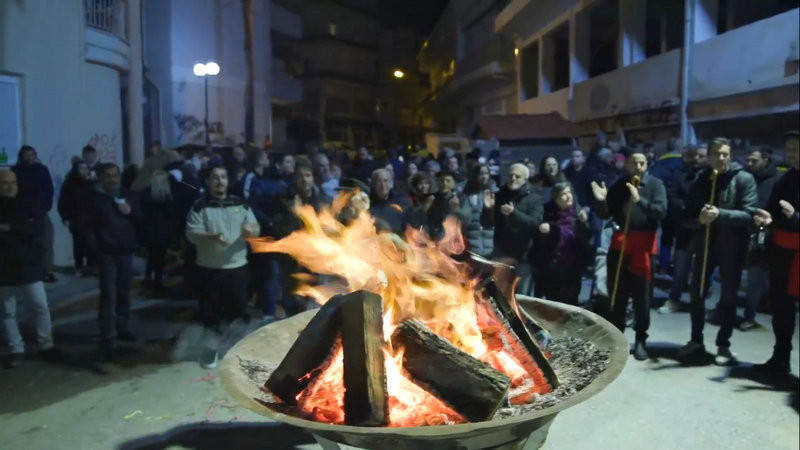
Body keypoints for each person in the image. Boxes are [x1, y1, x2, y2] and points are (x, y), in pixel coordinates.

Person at [677, 138, 758, 365]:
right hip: (705, 245)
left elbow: (750, 214)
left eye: (724, 154)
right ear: (709, 155)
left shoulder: (743, 178)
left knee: (729, 297)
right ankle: (696, 339)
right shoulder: (703, 179)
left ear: (730, 155)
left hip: (732, 247)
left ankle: (724, 345)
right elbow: (687, 214)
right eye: (716, 153)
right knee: (697, 294)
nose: (720, 158)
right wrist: (699, 220)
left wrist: (720, 214)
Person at [591, 151, 666, 360]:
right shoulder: (619, 184)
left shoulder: (655, 185)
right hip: (620, 245)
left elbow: (661, 213)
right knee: (618, 294)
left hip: (643, 247)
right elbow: (606, 214)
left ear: (647, 164)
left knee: (642, 297)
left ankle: (641, 338)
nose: (639, 167)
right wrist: (601, 201)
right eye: (634, 163)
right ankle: (618, 339)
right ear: (628, 166)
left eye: (642, 163)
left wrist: (639, 200)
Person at [186, 165, 260, 368]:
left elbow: (255, 228)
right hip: (210, 269)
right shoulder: (200, 206)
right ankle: (211, 351)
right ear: (208, 182)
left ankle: (234, 350)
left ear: (228, 181)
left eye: (223, 177)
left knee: (237, 312)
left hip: (237, 267)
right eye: (215, 178)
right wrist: (206, 236)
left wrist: (250, 229)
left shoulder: (239, 204)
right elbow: (191, 233)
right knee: (211, 314)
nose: (220, 181)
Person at [1, 169, 59, 368]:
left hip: (29, 265)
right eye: (5, 183)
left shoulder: (26, 204)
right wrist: (18, 229)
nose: (10, 186)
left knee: (40, 305)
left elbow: (33, 230)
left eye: (13, 182)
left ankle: (46, 344)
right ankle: (16, 348)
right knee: (8, 312)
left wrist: (8, 228)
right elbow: (24, 230)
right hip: (4, 268)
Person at [751, 131, 799, 376]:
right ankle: (781, 359)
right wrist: (767, 218)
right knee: (781, 309)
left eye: (795, 148)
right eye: (788, 148)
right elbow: (772, 211)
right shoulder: (785, 178)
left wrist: (796, 217)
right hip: (783, 254)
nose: (791, 153)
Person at [86, 164, 141, 359]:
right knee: (108, 293)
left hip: (125, 250)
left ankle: (122, 326)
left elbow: (141, 218)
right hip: (106, 253)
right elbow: (87, 227)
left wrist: (130, 212)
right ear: (101, 178)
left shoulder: (130, 196)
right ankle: (107, 334)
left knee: (124, 290)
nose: (112, 179)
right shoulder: (94, 199)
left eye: (115, 175)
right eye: (108, 176)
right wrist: (95, 250)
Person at [659, 144, 708, 313]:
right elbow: (672, 197)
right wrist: (688, 212)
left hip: (707, 229)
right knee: (680, 267)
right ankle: (674, 299)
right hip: (685, 226)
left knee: (704, 271)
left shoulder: (713, 178)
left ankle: (698, 303)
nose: (697, 159)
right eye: (696, 155)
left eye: (702, 156)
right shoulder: (680, 174)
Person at [481, 164, 543, 295]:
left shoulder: (534, 199)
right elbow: (487, 224)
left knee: (521, 298)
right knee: (499, 296)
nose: (513, 178)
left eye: (517, 176)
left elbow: (534, 223)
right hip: (501, 255)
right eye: (510, 175)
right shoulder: (499, 196)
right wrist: (488, 209)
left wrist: (514, 213)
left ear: (525, 179)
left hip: (523, 257)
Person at [738, 147, 780, 330]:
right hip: (742, 230)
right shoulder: (746, 177)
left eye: (754, 160)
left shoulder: (777, 180)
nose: (749, 164)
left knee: (756, 275)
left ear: (766, 159)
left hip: (763, 233)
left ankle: (750, 315)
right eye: (748, 160)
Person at [534, 182, 591, 305]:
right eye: (563, 194)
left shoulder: (578, 214)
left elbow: (585, 240)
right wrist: (546, 232)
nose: (568, 196)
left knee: (571, 304)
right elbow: (540, 245)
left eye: (569, 192)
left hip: (572, 269)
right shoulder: (547, 216)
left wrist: (583, 224)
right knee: (553, 305)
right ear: (556, 199)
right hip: (553, 269)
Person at [12, 146, 56, 283]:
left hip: (40, 212)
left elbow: (49, 189)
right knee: (25, 245)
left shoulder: (41, 170)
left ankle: (47, 271)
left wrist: (45, 207)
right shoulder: (16, 171)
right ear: (21, 156)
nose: (29, 157)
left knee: (45, 243)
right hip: (22, 213)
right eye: (27, 155)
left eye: (32, 155)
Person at [139, 170, 176, 295]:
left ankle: (148, 278)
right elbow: (170, 214)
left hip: (148, 230)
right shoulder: (165, 196)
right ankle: (158, 283)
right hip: (161, 231)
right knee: (159, 259)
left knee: (151, 257)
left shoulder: (145, 193)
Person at [58, 160, 95, 275]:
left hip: (91, 218)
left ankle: (91, 266)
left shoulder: (92, 182)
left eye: (86, 168)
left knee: (92, 244)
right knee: (79, 244)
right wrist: (65, 217)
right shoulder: (69, 183)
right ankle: (79, 266)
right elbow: (63, 201)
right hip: (76, 218)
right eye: (81, 168)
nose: (84, 171)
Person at [462, 164, 497, 257]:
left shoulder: (495, 192)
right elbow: (465, 219)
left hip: (491, 241)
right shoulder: (467, 195)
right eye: (481, 174)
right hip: (473, 241)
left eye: (486, 173)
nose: (484, 176)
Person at [369, 168, 412, 234]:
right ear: (374, 184)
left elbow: (412, 222)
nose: (383, 185)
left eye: (385, 181)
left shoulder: (401, 200)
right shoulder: (368, 202)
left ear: (390, 183)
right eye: (379, 181)